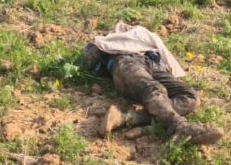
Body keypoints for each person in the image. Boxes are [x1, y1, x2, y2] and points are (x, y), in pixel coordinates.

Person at [82, 22, 223, 145]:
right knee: (154, 89)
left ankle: (130, 118)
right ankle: (180, 127)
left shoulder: (146, 37)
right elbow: (89, 59)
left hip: (151, 63)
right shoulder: (107, 40)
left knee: (191, 97)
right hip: (125, 61)